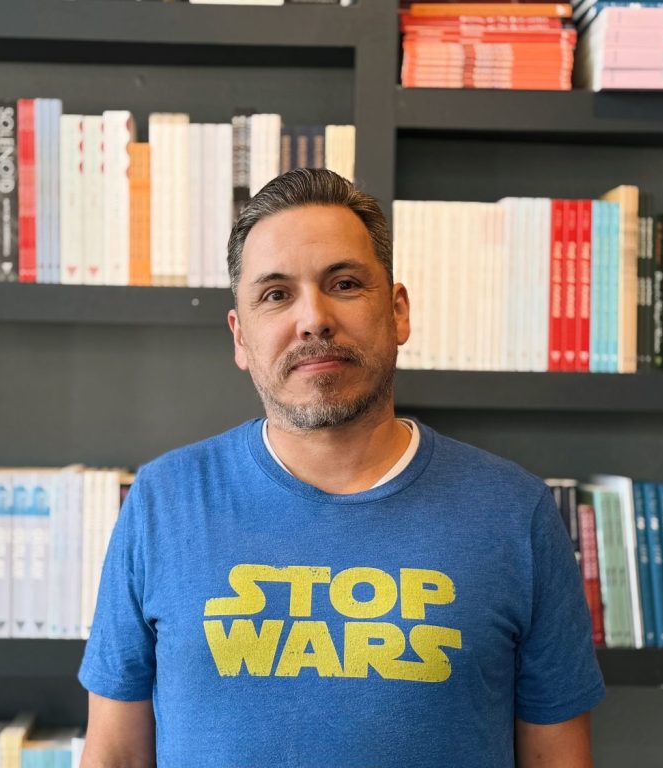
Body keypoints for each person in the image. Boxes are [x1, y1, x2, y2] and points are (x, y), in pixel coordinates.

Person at [78, 168, 605, 767]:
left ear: (398, 311)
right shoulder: (162, 501)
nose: (314, 319)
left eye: (346, 283)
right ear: (240, 338)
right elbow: (114, 755)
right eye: (276, 294)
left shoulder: (516, 513)